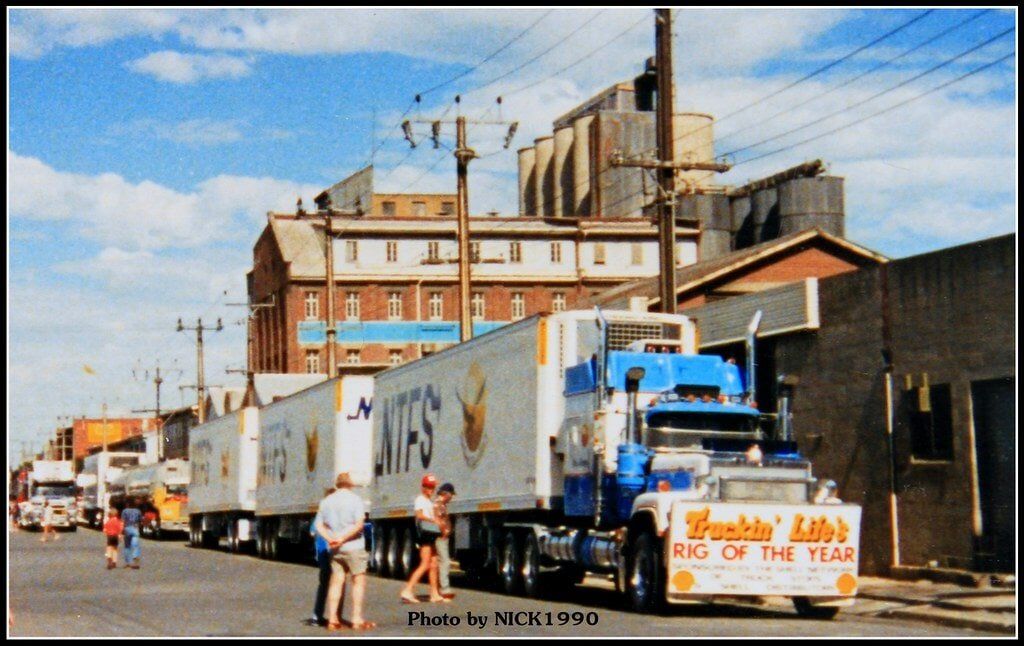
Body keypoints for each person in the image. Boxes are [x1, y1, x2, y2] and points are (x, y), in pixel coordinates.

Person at [315, 473, 375, 631]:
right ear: (351, 484)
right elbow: (359, 525)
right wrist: (343, 538)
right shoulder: (355, 500)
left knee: (336, 581)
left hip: (335, 548)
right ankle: (356, 619)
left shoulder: (326, 501)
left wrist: (331, 539)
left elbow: (319, 526)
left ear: (337, 484)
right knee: (358, 580)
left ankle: (333, 618)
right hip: (353, 545)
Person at [400, 474, 446, 604]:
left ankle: (434, 593)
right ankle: (408, 590)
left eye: (433, 487)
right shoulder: (420, 499)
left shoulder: (429, 501)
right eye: (429, 487)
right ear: (423, 487)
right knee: (425, 563)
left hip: (430, 533)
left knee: (434, 564)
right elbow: (419, 515)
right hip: (424, 533)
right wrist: (433, 520)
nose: (431, 490)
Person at [306, 488, 335, 627]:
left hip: (322, 550)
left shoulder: (321, 511)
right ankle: (334, 617)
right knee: (336, 582)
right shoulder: (333, 511)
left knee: (324, 584)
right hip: (331, 550)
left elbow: (312, 531)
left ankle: (317, 615)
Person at [434, 483, 456, 600]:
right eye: (451, 494)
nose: (452, 497)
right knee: (445, 561)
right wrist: (444, 531)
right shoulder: (439, 505)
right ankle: (444, 588)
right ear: (445, 494)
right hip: (440, 537)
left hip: (441, 537)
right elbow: (438, 520)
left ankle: (438, 589)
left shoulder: (441, 504)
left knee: (440, 562)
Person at [121, 497, 143, 569]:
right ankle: (135, 558)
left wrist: (122, 530)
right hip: (135, 528)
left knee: (127, 546)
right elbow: (140, 520)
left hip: (127, 528)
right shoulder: (138, 511)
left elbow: (123, 521)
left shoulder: (125, 511)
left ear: (127, 504)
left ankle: (128, 562)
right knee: (135, 545)